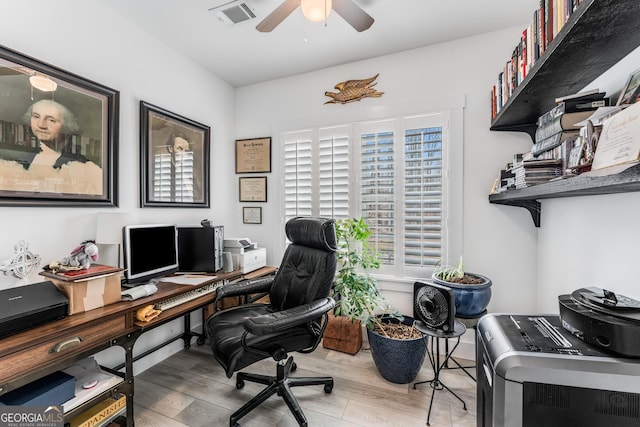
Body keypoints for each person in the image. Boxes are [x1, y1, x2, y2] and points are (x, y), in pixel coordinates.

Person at [0, 99, 103, 195]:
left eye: (51, 120)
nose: (41, 125)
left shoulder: (82, 167)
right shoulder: (21, 159)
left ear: (67, 126)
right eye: (36, 116)